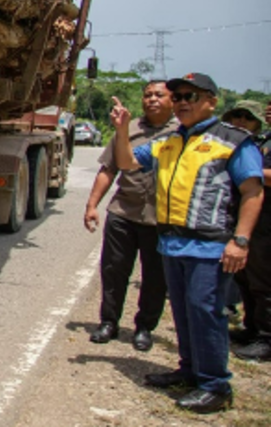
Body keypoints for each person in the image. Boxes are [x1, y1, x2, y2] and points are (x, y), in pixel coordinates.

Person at [111, 73, 264, 414]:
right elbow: (126, 163)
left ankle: (215, 385)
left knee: (205, 313)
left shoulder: (233, 140)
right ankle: (190, 371)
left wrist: (240, 241)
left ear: (211, 101)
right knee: (183, 312)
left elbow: (253, 191)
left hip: (210, 247)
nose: (181, 102)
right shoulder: (169, 141)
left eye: (190, 96)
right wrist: (122, 130)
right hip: (173, 244)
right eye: (177, 96)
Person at [84, 80, 177, 352]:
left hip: (161, 218)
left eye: (159, 95)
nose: (152, 100)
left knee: (155, 277)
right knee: (113, 271)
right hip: (124, 212)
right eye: (147, 95)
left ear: (173, 100)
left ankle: (145, 327)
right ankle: (109, 322)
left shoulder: (182, 132)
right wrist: (92, 205)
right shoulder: (128, 129)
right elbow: (108, 169)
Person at [230, 98, 271, 362]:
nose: (241, 122)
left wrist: (249, 172)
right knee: (244, 277)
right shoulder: (253, 144)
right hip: (246, 218)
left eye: (248, 118)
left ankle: (266, 338)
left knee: (264, 279)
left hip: (267, 219)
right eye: (237, 117)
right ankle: (252, 327)